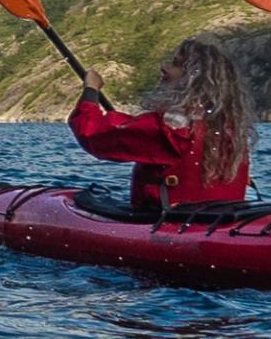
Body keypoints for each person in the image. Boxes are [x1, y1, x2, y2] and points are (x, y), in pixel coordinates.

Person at [72, 38, 254, 213]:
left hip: (174, 226)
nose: (164, 68)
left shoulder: (172, 129)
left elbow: (91, 133)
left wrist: (91, 90)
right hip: (220, 225)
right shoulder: (232, 130)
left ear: (194, 78)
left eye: (176, 64)